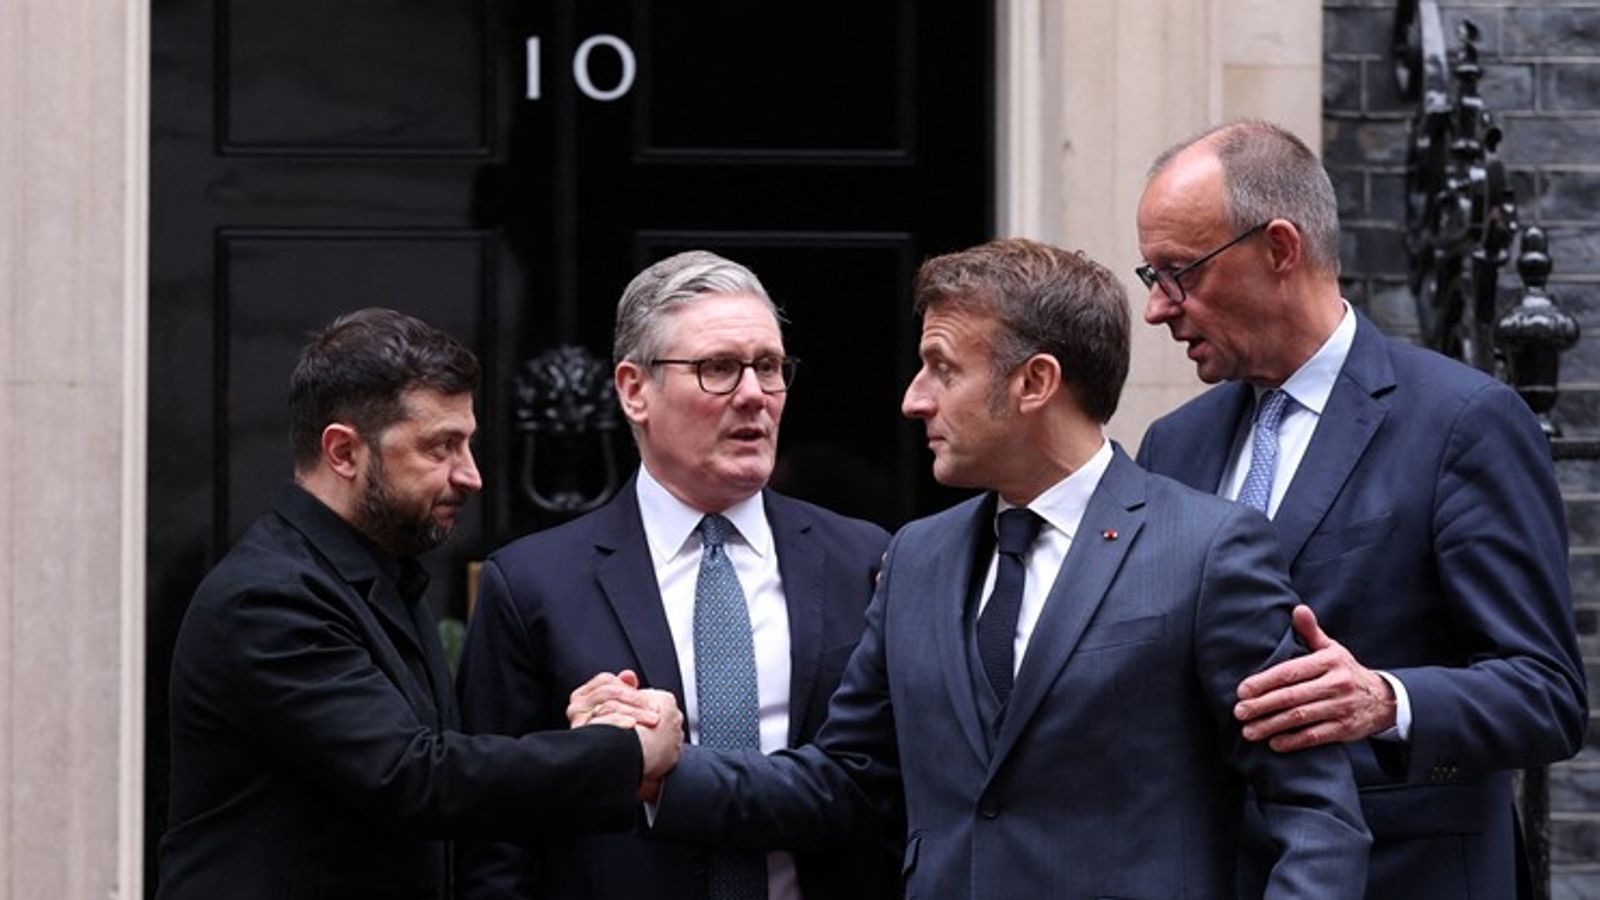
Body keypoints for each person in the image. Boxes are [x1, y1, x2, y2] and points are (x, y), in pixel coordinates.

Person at [582, 238, 1371, 898]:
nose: (913, 399)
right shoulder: (916, 559)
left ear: (1035, 383)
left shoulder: (1206, 549)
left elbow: (1315, 814)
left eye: (942, 367)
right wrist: (661, 772)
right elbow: (846, 779)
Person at [1133, 119, 1588, 900]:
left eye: (1179, 274)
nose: (1157, 309)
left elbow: (1545, 694)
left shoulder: (1460, 422)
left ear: (1280, 249)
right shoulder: (1174, 444)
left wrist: (1385, 700)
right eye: (1152, 276)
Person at [155, 308, 683, 900]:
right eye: (441, 448)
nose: (472, 475)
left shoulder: (378, 574)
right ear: (343, 452)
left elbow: (435, 762)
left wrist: (584, 726)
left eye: (468, 444)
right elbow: (413, 777)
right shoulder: (268, 597)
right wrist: (622, 753)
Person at [456, 251, 898, 900]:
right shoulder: (532, 584)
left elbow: (891, 787)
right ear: (634, 390)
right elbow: (496, 834)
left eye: (768, 367)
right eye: (718, 368)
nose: (754, 394)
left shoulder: (864, 560)